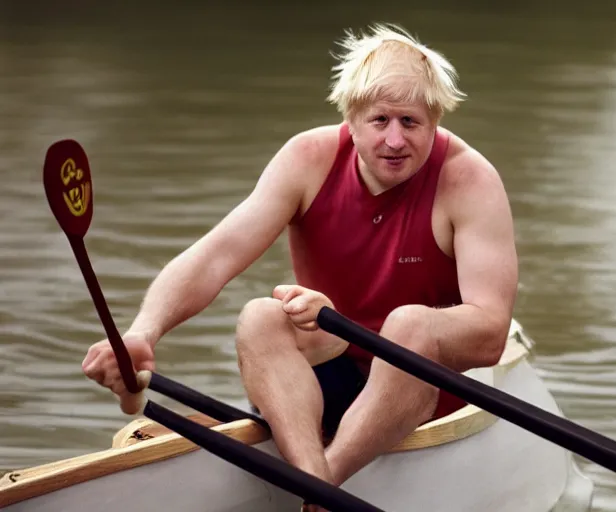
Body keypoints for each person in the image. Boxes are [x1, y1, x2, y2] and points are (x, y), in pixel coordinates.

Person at [81, 23, 519, 508]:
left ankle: (315, 490)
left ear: (434, 120)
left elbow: (492, 331)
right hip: (327, 378)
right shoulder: (308, 159)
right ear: (350, 119)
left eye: (410, 122)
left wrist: (411, 330)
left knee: (408, 323)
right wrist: (143, 332)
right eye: (380, 121)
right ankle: (316, 483)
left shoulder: (468, 180)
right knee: (261, 316)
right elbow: (215, 255)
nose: (395, 140)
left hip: (424, 391)